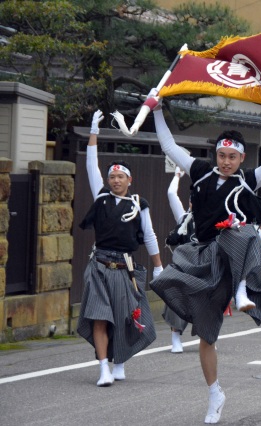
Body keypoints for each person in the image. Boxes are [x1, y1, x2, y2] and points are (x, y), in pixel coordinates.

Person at [150, 91, 261, 424]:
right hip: (204, 258)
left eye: (232, 156)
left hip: (235, 255)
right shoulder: (201, 172)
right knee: (206, 335)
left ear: (242, 158)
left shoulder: (248, 180)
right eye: (222, 155)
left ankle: (243, 289)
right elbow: (170, 148)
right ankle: (215, 392)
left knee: (239, 228)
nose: (226, 161)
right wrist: (157, 110)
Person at [77, 110, 163, 387]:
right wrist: (94, 131)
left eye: (120, 176)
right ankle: (104, 367)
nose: (115, 180)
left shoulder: (139, 204)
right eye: (112, 175)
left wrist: (159, 266)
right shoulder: (101, 197)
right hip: (100, 264)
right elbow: (92, 166)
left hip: (125, 267)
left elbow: (148, 235)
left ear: (129, 180)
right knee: (99, 316)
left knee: (124, 317)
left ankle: (120, 361)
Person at [164, 166, 196, 354]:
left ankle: (207, 337)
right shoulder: (183, 218)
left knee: (207, 303)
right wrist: (177, 175)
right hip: (184, 267)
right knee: (176, 299)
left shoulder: (213, 220)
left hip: (204, 267)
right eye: (193, 201)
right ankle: (176, 336)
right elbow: (170, 193)